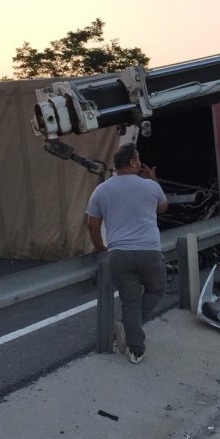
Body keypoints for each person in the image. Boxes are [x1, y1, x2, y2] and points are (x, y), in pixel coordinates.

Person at [86, 143, 170, 364]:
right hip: (150, 252)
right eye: (139, 159)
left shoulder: (101, 190)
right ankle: (129, 327)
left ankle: (136, 348)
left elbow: (92, 225)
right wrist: (153, 179)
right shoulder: (150, 186)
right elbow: (163, 208)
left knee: (130, 301)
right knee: (157, 287)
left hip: (119, 254)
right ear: (133, 162)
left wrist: (99, 247)